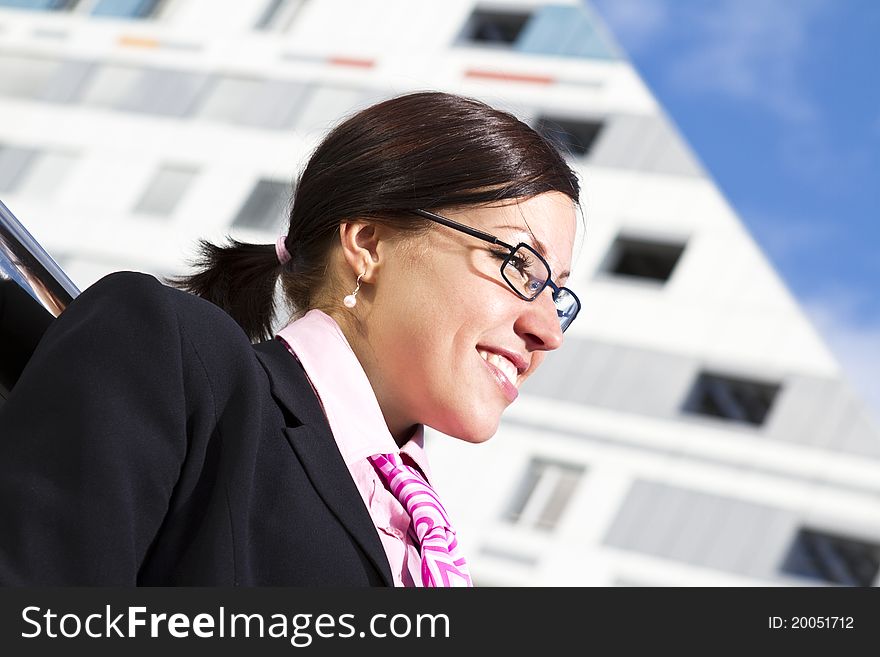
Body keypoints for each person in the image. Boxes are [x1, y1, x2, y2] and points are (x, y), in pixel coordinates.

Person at [0, 91, 581, 586]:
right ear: (370, 243)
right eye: (520, 266)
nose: (549, 331)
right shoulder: (177, 362)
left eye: (556, 293)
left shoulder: (426, 550)